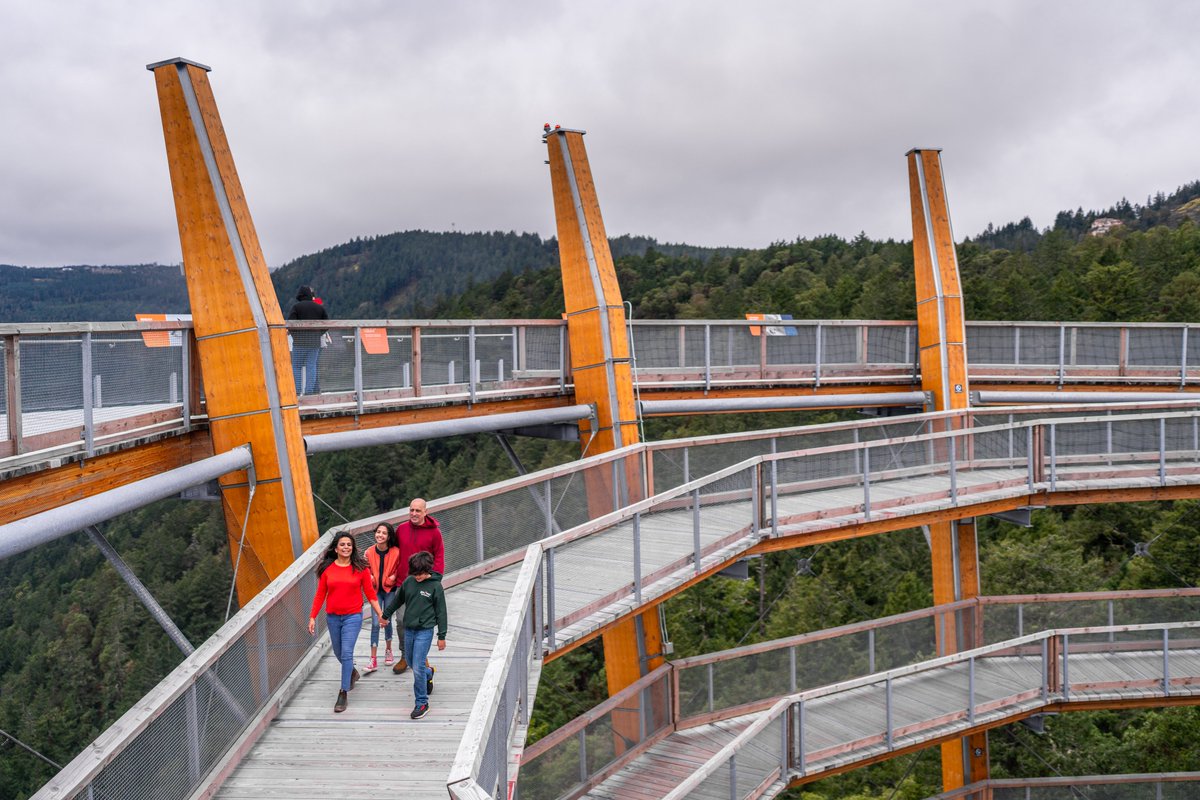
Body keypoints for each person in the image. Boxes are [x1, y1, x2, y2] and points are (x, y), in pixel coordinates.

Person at [308, 532, 384, 713]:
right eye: (342, 544)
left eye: (349, 544)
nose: (346, 547)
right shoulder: (327, 570)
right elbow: (320, 595)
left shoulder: (361, 569)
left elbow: (371, 595)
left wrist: (381, 614)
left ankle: (343, 692)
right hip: (333, 617)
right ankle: (352, 672)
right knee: (338, 651)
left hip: (353, 616)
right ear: (336, 548)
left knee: (347, 652)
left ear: (353, 548)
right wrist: (312, 617)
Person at [381, 550, 448, 720]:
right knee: (411, 662)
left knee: (416, 666)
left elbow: (441, 612)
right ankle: (428, 673)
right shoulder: (409, 582)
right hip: (409, 629)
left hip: (425, 630)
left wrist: (442, 636)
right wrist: (385, 615)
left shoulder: (435, 586)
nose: (418, 577)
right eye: (415, 574)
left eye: (421, 574)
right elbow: (398, 601)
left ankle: (422, 703)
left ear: (428, 570)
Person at [391, 497, 445, 675]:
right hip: (403, 583)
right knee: (401, 620)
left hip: (424, 583)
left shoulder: (434, 532)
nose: (414, 514)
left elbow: (439, 557)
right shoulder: (401, 529)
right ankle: (406, 655)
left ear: (425, 512)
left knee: (421, 623)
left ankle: (421, 657)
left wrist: (434, 579)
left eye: (418, 511)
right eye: (411, 510)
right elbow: (392, 552)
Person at [363, 521, 402, 671]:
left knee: (387, 620)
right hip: (374, 591)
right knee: (374, 623)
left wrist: (393, 577)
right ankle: (373, 658)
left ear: (389, 536)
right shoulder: (369, 552)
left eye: (384, 533)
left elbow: (400, 567)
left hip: (389, 590)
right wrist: (370, 576)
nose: (380, 535)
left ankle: (388, 650)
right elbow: (364, 568)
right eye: (378, 532)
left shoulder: (396, 552)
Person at [288, 284, 328, 396]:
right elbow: (327, 324)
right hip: (314, 343)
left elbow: (290, 325)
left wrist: (296, 336)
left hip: (299, 343)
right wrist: (318, 334)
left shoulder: (296, 307)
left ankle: (297, 391)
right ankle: (309, 392)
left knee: (297, 366)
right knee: (312, 366)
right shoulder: (319, 307)